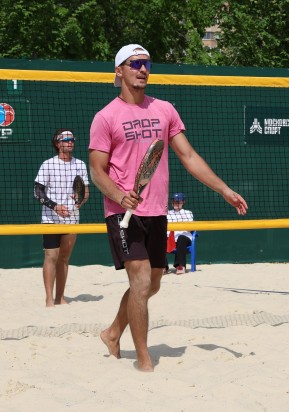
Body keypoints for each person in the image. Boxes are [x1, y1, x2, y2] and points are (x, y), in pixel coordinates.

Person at [89, 44, 248, 372]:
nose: (142, 69)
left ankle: (113, 332)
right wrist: (119, 195)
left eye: (146, 64)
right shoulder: (105, 117)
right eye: (135, 63)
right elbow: (96, 171)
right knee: (140, 281)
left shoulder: (164, 109)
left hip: (156, 210)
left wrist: (223, 189)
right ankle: (144, 361)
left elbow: (188, 156)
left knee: (152, 284)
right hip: (123, 213)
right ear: (119, 70)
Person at [34, 129, 89, 307]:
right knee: (51, 256)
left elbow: (85, 192)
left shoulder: (80, 164)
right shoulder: (48, 164)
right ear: (58, 144)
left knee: (64, 258)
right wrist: (55, 206)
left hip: (72, 217)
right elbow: (38, 192)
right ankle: (49, 299)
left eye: (72, 139)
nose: (70, 142)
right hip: (50, 218)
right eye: (66, 139)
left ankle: (60, 297)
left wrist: (81, 200)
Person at [166, 192, 194, 275]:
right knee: (159, 238)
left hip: (184, 239)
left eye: (178, 201)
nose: (176, 203)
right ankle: (163, 266)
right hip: (170, 238)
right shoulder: (167, 213)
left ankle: (180, 266)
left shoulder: (188, 213)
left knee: (181, 237)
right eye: (175, 201)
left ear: (183, 202)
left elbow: (190, 228)